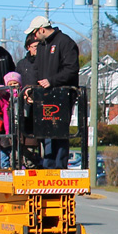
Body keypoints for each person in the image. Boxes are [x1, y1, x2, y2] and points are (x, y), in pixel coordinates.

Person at [25, 16, 79, 168]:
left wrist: (52, 81)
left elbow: (72, 69)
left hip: (62, 95)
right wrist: (32, 89)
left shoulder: (65, 42)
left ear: (41, 29)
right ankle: (47, 164)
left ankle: (59, 165)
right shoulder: (42, 46)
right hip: (44, 96)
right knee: (45, 131)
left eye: (35, 33)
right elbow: (37, 70)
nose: (34, 37)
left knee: (59, 132)